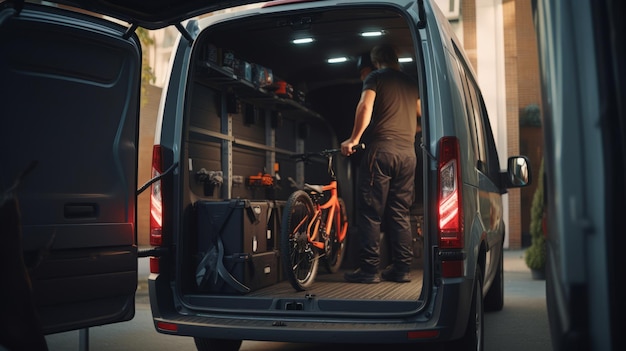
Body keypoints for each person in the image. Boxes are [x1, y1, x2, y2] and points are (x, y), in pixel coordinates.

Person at [341, 44, 421, 284]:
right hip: (408, 154)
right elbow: (420, 114)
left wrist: (354, 139)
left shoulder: (376, 77)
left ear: (376, 62)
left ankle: (368, 270)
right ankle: (402, 269)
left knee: (371, 213)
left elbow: (365, 106)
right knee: (400, 213)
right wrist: (410, 133)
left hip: (382, 151)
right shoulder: (410, 83)